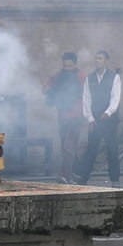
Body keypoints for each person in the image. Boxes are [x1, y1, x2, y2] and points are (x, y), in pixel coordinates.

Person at [73, 50, 122, 186]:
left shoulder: (114, 77)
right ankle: (83, 177)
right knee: (91, 149)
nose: (97, 61)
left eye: (100, 58)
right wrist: (89, 118)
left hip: (109, 120)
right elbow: (86, 98)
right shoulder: (90, 78)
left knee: (112, 148)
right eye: (96, 58)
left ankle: (115, 179)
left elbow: (115, 97)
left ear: (106, 60)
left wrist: (108, 112)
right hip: (95, 119)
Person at [44, 51, 85, 183]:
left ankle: (68, 173)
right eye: (65, 66)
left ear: (75, 64)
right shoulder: (58, 76)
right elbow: (46, 89)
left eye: (70, 66)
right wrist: (50, 93)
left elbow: (87, 95)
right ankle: (66, 175)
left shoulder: (81, 76)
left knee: (71, 147)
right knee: (67, 147)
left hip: (77, 115)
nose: (67, 69)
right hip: (63, 116)